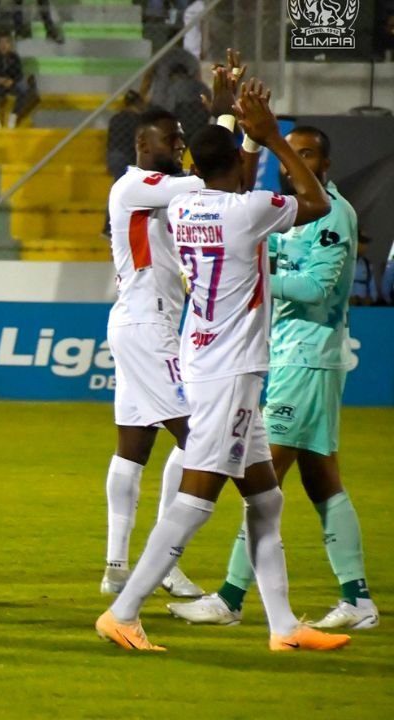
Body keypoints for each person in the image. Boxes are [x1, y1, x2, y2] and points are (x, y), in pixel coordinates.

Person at [95, 79, 350, 652]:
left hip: (207, 355)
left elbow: (215, 170)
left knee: (266, 496)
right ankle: (124, 610)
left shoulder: (187, 206)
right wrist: (273, 138)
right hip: (229, 369)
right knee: (196, 498)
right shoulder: (247, 212)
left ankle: (283, 627)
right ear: (238, 165)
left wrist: (238, 136)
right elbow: (317, 202)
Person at [169, 126, 378, 630]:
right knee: (322, 480)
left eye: (306, 154)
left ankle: (232, 597)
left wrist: (254, 273)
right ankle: (359, 600)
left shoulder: (333, 215)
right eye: (292, 153)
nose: (295, 162)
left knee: (263, 483)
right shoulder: (283, 208)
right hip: (285, 354)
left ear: (324, 162)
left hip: (308, 357)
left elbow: (316, 285)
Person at [101, 105, 223, 600]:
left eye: (180, 139)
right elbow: (212, 181)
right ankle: (165, 564)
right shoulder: (135, 186)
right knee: (199, 439)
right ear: (142, 146)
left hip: (140, 322)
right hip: (147, 327)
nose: (177, 146)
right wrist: (226, 125)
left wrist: (221, 118)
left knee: (134, 449)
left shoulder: (159, 192)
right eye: (169, 139)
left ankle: (115, 567)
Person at [0, 34, 34, 129]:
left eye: (6, 42)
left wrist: (11, 81)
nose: (3, 45)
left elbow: (18, 74)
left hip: (9, 83)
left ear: (10, 45)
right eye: (1, 43)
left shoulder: (14, 57)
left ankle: (13, 117)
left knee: (24, 90)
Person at [349, 233, 375, 305]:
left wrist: (371, 298)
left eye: (365, 243)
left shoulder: (367, 264)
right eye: (361, 242)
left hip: (363, 305)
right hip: (344, 305)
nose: (364, 246)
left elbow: (372, 286)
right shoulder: (343, 262)